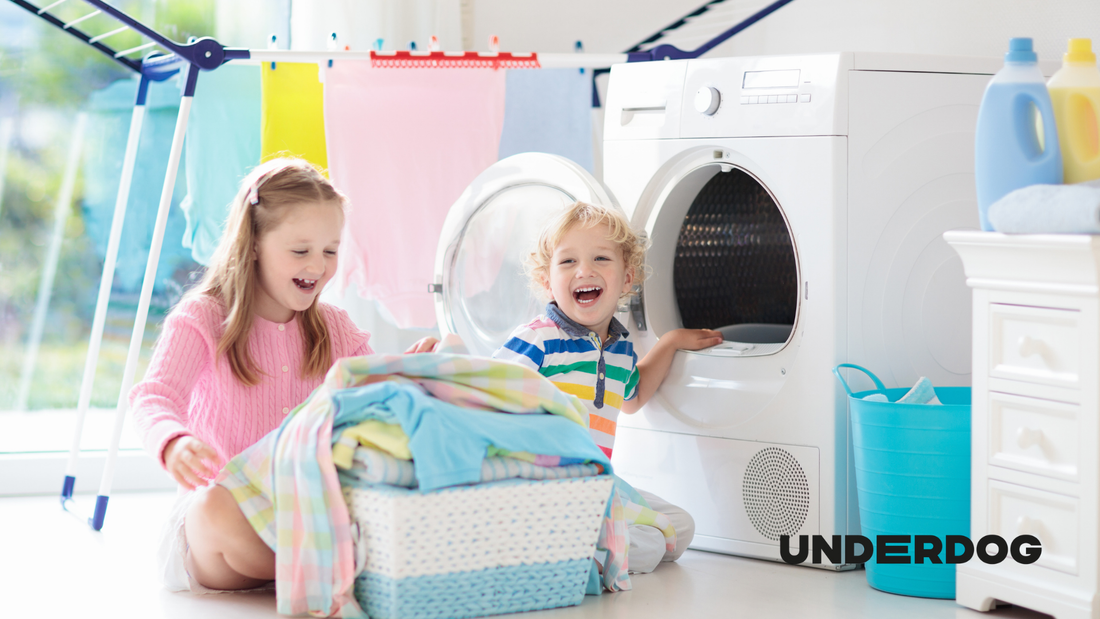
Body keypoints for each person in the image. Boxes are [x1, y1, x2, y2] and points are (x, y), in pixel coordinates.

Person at [130, 158, 435, 594]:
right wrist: (173, 441)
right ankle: (335, 570)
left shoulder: (335, 327)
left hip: (306, 512)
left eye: (330, 251)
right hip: (223, 521)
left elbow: (374, 392)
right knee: (212, 507)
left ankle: (324, 564)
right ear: (253, 243)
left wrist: (410, 372)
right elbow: (152, 396)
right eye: (300, 250)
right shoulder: (202, 317)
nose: (318, 265)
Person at [493, 200, 724, 573]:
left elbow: (633, 397)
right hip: (544, 486)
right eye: (568, 262)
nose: (584, 270)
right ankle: (570, 556)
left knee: (681, 527)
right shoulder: (539, 339)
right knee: (648, 546)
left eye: (601, 259)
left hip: (594, 487)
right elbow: (489, 389)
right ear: (545, 281)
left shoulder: (620, 351)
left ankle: (575, 548)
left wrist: (670, 342)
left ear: (627, 278)